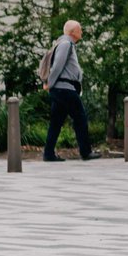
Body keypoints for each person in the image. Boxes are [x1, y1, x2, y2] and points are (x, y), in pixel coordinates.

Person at [41, 19, 95, 163]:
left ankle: (48, 153)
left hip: (61, 89)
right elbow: (57, 66)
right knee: (80, 118)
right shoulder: (66, 44)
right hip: (64, 89)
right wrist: (49, 83)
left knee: (56, 122)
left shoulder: (65, 44)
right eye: (80, 29)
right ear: (73, 32)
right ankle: (86, 152)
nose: (81, 31)